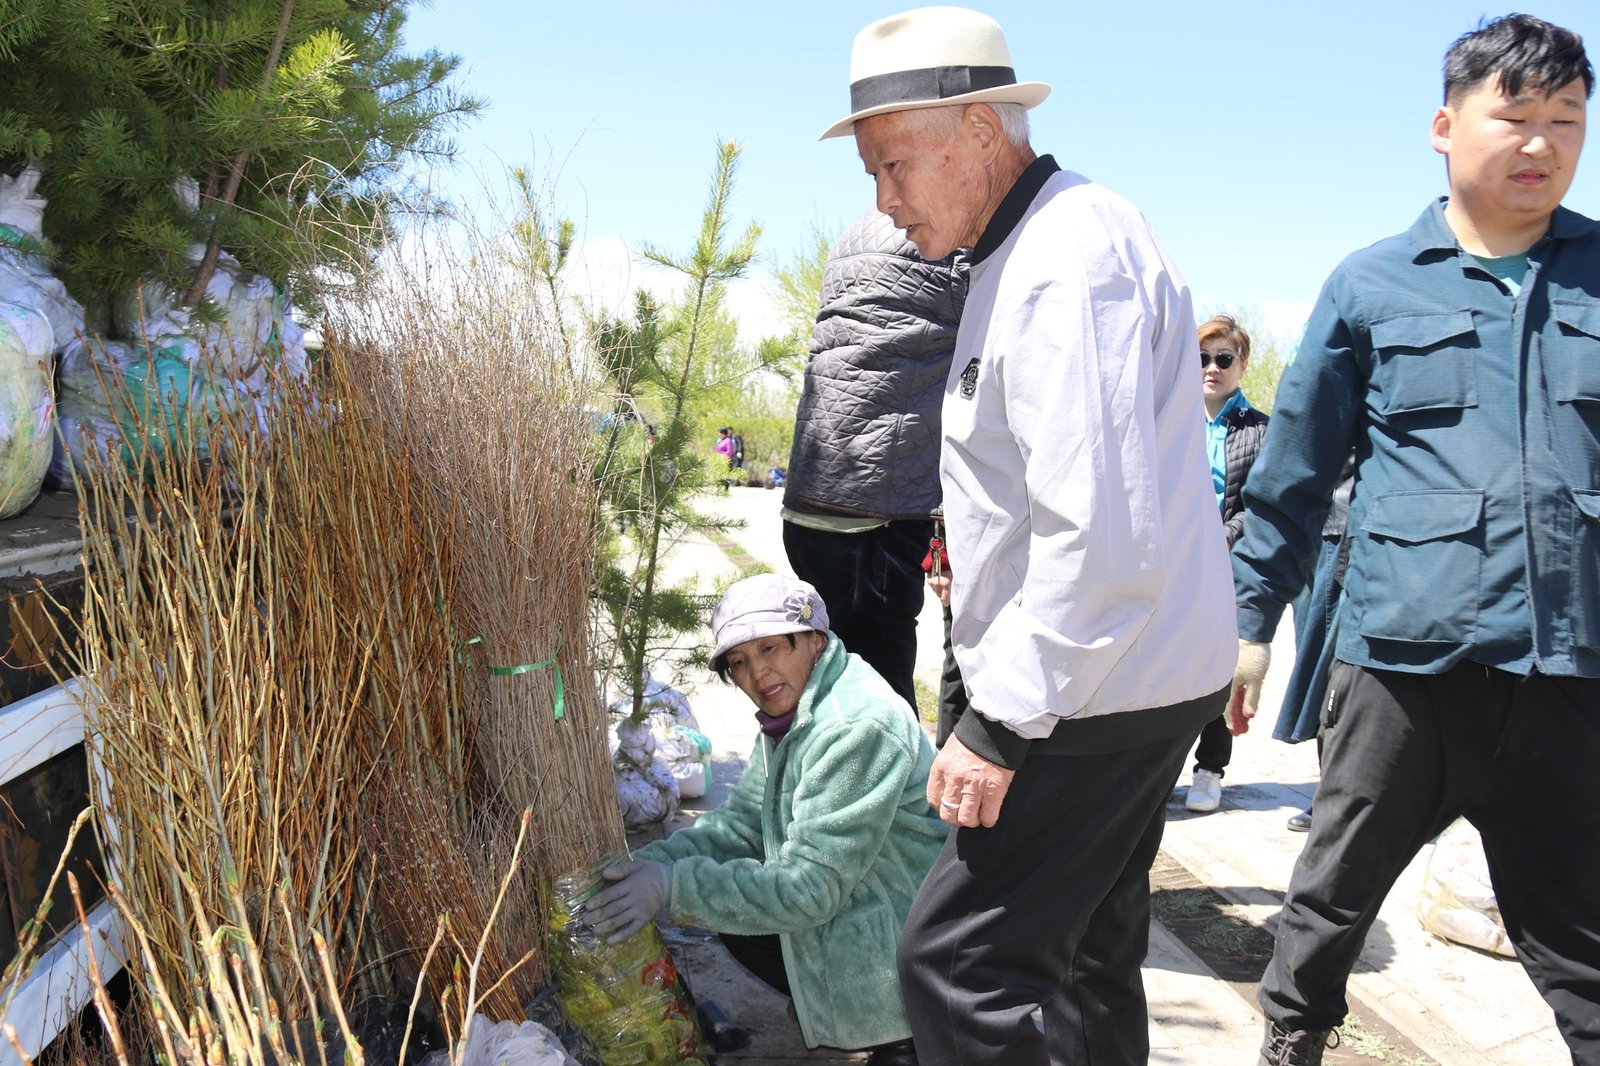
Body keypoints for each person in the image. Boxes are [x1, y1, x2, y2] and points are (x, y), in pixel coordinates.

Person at [822, 8, 1238, 1063]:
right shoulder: (1020, 250)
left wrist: (999, 726)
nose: (883, 202)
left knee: (959, 966)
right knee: (1090, 952)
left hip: (1090, 687)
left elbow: (1099, 536)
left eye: (894, 166)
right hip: (1115, 673)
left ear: (977, 128)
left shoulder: (1064, 257)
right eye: (873, 174)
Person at [1227, 15, 1600, 1064]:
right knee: (1330, 897)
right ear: (1446, 126)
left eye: (1568, 119)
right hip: (1403, 667)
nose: (1542, 143)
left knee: (1584, 937)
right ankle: (1292, 1041)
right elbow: (1293, 477)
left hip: (1568, 673)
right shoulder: (1373, 283)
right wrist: (1249, 624)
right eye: (1515, 116)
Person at [585, 573, 945, 1066]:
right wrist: (648, 866)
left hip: (908, 925)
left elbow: (809, 890)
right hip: (857, 887)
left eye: (770, 648)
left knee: (730, 899)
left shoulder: (854, 727)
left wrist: (672, 887)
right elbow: (741, 826)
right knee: (729, 907)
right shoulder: (795, 711)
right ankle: (831, 999)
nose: (757, 674)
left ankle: (900, 1031)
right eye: (739, 662)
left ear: (815, 639)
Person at [782, 208, 967, 710]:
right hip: (875, 512)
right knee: (879, 698)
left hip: (811, 493)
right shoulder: (950, 236)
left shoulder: (854, 234)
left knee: (829, 679)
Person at [1185, 314, 1270, 813]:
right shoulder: (1167, 420)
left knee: (1222, 670)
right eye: (1201, 358)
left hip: (1228, 565)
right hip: (1173, 564)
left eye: (1223, 358)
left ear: (1242, 365)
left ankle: (1210, 770)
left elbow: (1258, 504)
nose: (1211, 368)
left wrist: (1219, 539)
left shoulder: (1261, 430)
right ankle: (1158, 770)